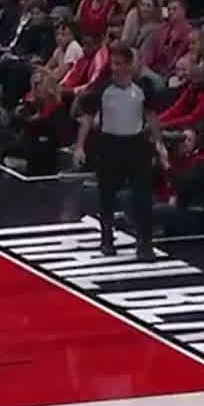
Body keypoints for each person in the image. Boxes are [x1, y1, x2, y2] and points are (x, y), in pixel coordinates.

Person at [73, 46, 166, 260]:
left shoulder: (143, 88)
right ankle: (107, 238)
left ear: (129, 65)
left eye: (120, 64)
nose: (116, 68)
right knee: (107, 195)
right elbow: (87, 118)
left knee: (142, 195)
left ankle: (144, 243)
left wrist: (159, 144)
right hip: (109, 145)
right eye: (113, 64)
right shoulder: (102, 88)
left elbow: (152, 117)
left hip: (136, 145)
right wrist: (79, 146)